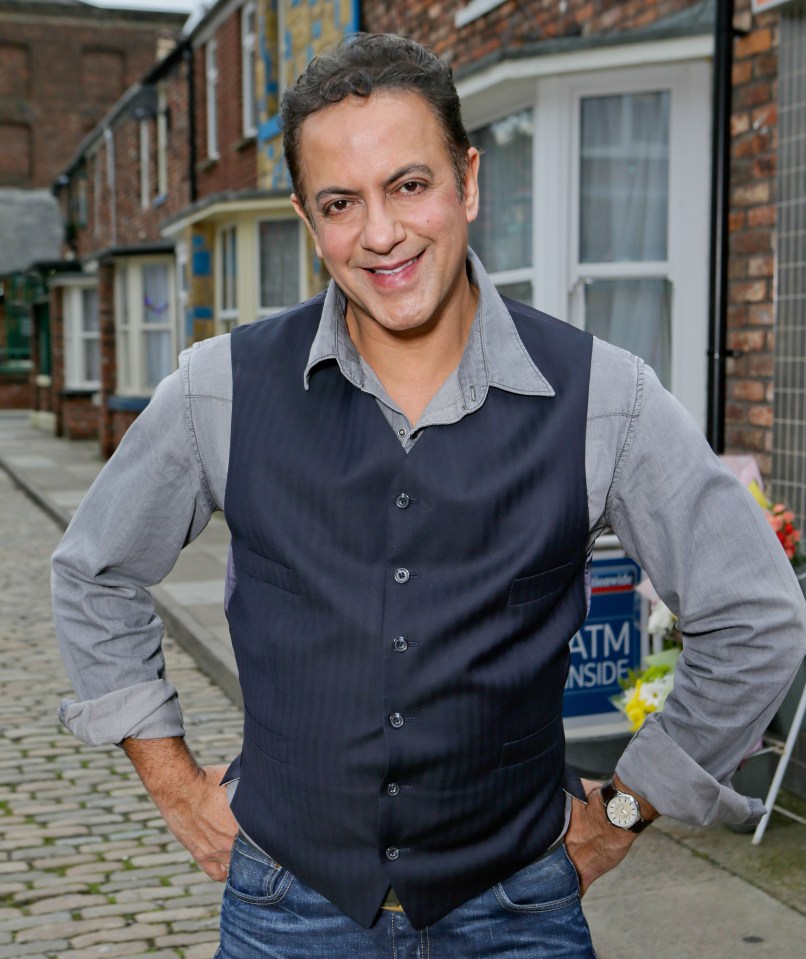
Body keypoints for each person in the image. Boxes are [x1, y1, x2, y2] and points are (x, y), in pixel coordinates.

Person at [52, 32, 806, 958]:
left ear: (468, 182)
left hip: (517, 912)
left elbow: (757, 614)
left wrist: (622, 807)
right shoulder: (222, 388)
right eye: (341, 202)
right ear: (307, 217)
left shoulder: (606, 398)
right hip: (287, 905)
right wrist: (177, 789)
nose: (380, 232)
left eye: (409, 185)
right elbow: (92, 575)